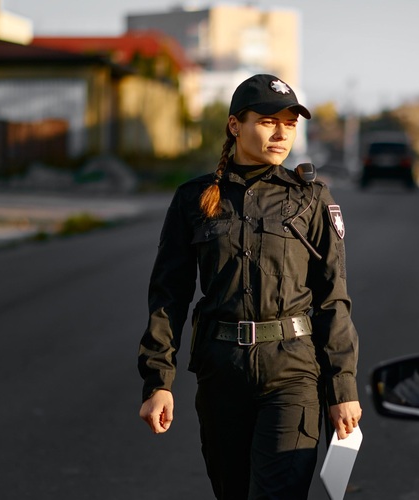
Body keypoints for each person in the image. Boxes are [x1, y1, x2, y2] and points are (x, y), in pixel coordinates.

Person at [137, 74, 362, 499]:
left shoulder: (311, 198)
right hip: (222, 373)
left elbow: (333, 298)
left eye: (290, 123)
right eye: (267, 121)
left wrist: (342, 389)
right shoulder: (194, 198)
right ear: (235, 125)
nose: (281, 133)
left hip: (293, 373)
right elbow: (169, 294)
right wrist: (158, 381)